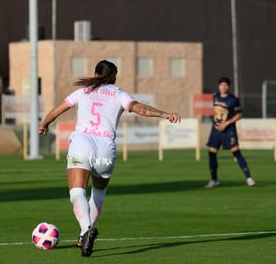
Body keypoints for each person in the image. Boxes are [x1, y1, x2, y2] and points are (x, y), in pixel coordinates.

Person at [38, 60, 181, 257]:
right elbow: (140, 108)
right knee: (98, 193)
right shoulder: (118, 93)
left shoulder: (83, 91)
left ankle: (86, 228)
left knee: (77, 192)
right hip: (106, 149)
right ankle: (83, 235)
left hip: (82, 144)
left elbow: (57, 111)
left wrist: (44, 124)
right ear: (113, 78)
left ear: (95, 74)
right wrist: (164, 114)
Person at [205, 77, 255, 188]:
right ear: (219, 86)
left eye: (226, 85)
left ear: (229, 86)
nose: (223, 87)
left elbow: (239, 114)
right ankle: (214, 180)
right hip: (216, 130)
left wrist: (226, 124)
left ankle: (248, 177)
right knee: (212, 152)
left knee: (236, 152)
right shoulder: (215, 96)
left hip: (228, 130)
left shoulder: (233, 99)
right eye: (222, 85)